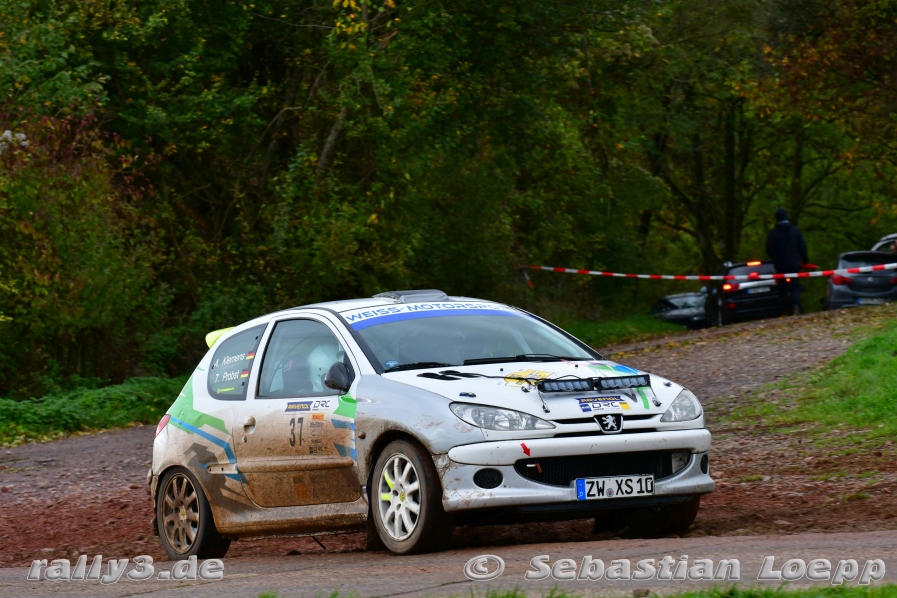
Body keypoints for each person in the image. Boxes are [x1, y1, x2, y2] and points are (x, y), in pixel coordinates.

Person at [766, 208, 809, 315]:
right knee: (794, 285)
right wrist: (805, 260)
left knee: (782, 287)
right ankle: (796, 305)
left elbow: (769, 249)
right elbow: (802, 247)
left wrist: (775, 259)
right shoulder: (795, 231)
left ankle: (784, 309)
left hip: (780, 266)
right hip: (794, 264)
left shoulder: (773, 233)